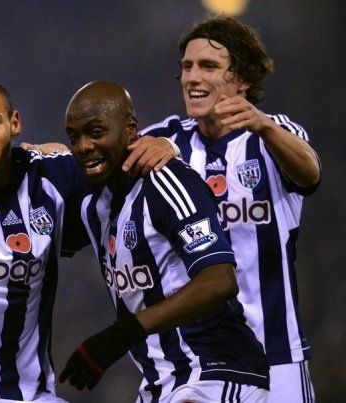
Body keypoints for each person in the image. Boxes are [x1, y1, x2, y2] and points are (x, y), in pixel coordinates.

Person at [0, 22, 175, 402]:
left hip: (31, 392)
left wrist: (164, 146)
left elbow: (111, 154)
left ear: (14, 124)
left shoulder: (50, 176)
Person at [139, 16, 320, 402]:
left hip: (278, 356)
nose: (192, 77)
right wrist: (52, 153)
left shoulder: (273, 137)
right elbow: (94, 154)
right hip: (204, 364)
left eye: (208, 66)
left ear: (242, 80)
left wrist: (264, 126)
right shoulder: (164, 140)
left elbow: (310, 174)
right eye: (187, 67)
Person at [59, 80, 270, 402]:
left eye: (96, 132)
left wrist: (120, 334)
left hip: (215, 373)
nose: (84, 146)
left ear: (131, 129)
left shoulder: (166, 181)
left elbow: (219, 280)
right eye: (74, 137)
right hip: (161, 384)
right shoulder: (94, 205)